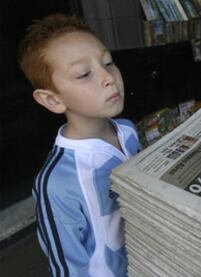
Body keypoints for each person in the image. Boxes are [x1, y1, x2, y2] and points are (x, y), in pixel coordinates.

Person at [17, 14, 142, 276]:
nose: (108, 77)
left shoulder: (128, 131)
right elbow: (67, 266)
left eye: (108, 62)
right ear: (52, 100)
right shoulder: (57, 183)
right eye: (84, 74)